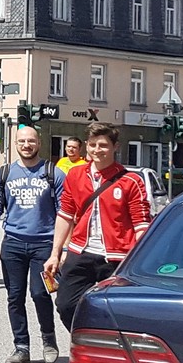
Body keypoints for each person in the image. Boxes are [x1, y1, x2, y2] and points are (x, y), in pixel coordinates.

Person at [43, 122, 154, 331]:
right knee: (66, 305)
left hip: (118, 256)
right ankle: (86, 342)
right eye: (93, 145)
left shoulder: (131, 181)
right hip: (81, 251)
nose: (97, 150)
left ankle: (113, 350)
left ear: (115, 147)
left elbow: (141, 224)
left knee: (118, 311)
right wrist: (55, 253)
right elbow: (65, 215)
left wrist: (139, 262)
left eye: (103, 145)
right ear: (87, 145)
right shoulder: (75, 175)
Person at [0, 125, 65, 363]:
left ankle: (49, 340)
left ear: (38, 143)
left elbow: (66, 212)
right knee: (15, 296)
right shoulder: (4, 173)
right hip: (14, 245)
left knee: (41, 294)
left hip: (44, 245)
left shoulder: (53, 173)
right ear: (16, 144)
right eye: (22, 141)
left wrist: (60, 250)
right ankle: (21, 347)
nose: (26, 145)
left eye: (31, 141)